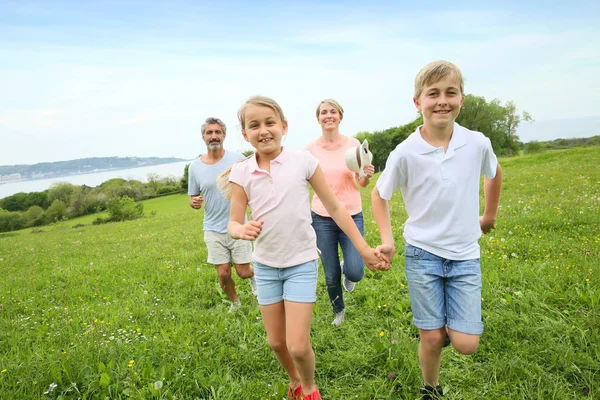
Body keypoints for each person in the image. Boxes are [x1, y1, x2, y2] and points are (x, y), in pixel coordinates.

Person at [221, 96, 389, 400]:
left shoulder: (303, 161)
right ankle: (295, 379)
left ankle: (309, 386)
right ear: (245, 134)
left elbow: (336, 207)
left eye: (270, 122)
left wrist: (363, 249)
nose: (263, 130)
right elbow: (233, 223)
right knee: (276, 343)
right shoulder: (241, 173)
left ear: (283, 126)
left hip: (300, 263)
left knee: (298, 345)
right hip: (266, 266)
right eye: (254, 125)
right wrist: (240, 229)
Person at [371, 61, 502, 399]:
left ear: (462, 98)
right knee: (431, 338)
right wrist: (387, 240)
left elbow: (494, 173)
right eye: (433, 94)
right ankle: (431, 387)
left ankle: (443, 328)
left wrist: (488, 215)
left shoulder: (476, 143)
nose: (442, 101)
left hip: (464, 255)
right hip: (422, 253)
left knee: (466, 344)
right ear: (418, 102)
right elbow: (379, 194)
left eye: (450, 93)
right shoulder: (405, 152)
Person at [305, 99, 375, 326]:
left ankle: (349, 269)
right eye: (323, 112)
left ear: (340, 117)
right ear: (318, 119)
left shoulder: (353, 145)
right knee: (330, 273)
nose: (328, 116)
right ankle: (339, 311)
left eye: (332, 112)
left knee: (356, 271)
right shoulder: (310, 151)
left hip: (352, 214)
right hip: (322, 218)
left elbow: (361, 182)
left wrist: (366, 175)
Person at [188, 117, 257, 312]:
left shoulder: (237, 159)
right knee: (224, 273)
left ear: (224, 136)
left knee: (243, 272)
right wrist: (193, 202)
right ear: (203, 137)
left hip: (238, 224)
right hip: (212, 228)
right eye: (209, 133)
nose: (214, 136)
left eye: (217, 132)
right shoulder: (195, 167)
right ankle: (235, 302)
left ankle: (254, 278)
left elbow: (252, 182)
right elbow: (193, 197)